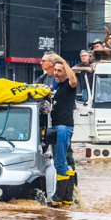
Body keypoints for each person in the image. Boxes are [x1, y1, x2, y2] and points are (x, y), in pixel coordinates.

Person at [49, 54, 78, 205]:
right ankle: (67, 198)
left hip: (62, 128)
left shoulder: (69, 85)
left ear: (66, 72)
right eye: (55, 70)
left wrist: (64, 61)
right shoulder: (57, 87)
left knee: (59, 162)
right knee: (65, 162)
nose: (56, 73)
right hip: (59, 127)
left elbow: (74, 80)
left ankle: (58, 198)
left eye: (60, 71)